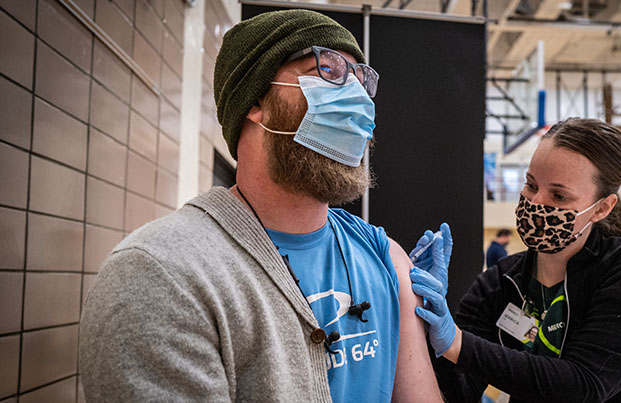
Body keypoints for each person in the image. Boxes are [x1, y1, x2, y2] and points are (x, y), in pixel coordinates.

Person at [80, 10, 442, 403]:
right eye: (329, 71)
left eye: (359, 80)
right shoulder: (163, 275)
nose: (356, 99)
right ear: (255, 100)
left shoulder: (383, 257)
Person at [410, 118, 621, 402]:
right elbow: (458, 392)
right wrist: (423, 319)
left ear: (602, 208)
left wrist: (456, 343)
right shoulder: (499, 284)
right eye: (531, 184)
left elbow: (583, 385)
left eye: (559, 196)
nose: (536, 203)